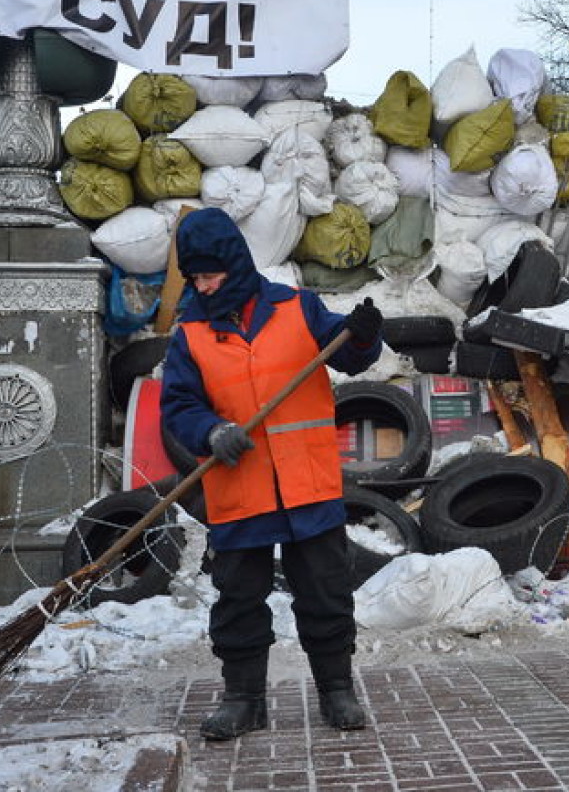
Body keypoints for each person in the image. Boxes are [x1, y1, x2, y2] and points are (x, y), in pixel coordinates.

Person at [160, 206, 383, 741]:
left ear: (235, 263)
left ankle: (337, 691)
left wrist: (363, 335)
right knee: (238, 599)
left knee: (326, 592)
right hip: (241, 488)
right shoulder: (189, 333)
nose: (204, 285)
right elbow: (179, 405)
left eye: (210, 274)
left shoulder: (298, 308)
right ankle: (243, 699)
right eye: (194, 277)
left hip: (308, 483)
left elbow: (351, 355)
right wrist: (212, 431)